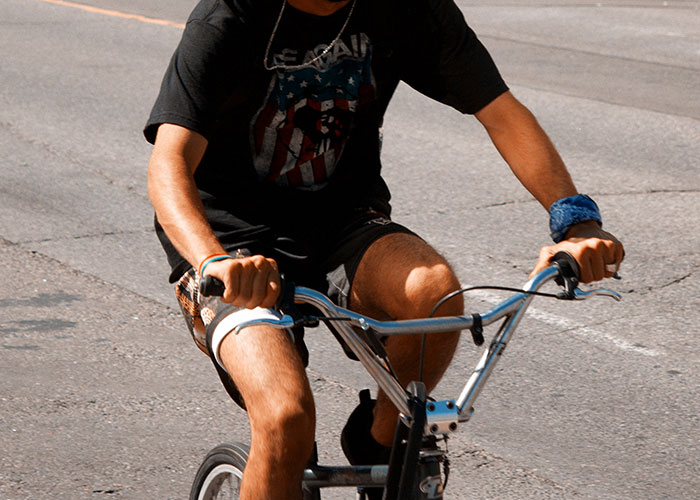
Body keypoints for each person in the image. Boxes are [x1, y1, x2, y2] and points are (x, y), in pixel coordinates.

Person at [144, 0, 625, 498]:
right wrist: (213, 260)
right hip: (229, 244)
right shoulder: (230, 16)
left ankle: (377, 441)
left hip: (344, 220)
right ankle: (287, 450)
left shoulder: (406, 8)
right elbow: (169, 162)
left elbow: (501, 112)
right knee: (286, 418)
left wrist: (576, 223)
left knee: (434, 292)